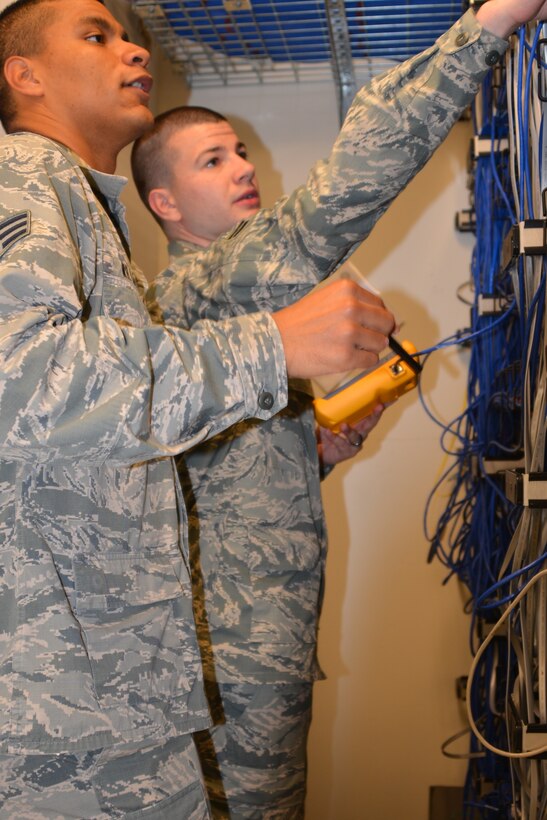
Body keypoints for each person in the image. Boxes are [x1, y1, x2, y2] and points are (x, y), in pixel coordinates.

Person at [130, 1, 547, 816]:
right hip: (239, 657)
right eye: (211, 161)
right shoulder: (207, 282)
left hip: (252, 646)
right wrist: (487, 27)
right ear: (165, 207)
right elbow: (342, 193)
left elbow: (202, 479)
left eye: (241, 151)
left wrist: (309, 455)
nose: (243, 167)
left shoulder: (223, 311)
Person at [0, 0, 404, 816]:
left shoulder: (86, 210)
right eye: (97, 35)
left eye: (128, 33)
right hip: (63, 697)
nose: (133, 49)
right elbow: (25, 376)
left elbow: (95, 436)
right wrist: (272, 345)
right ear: (24, 75)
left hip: (103, 683)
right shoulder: (23, 174)